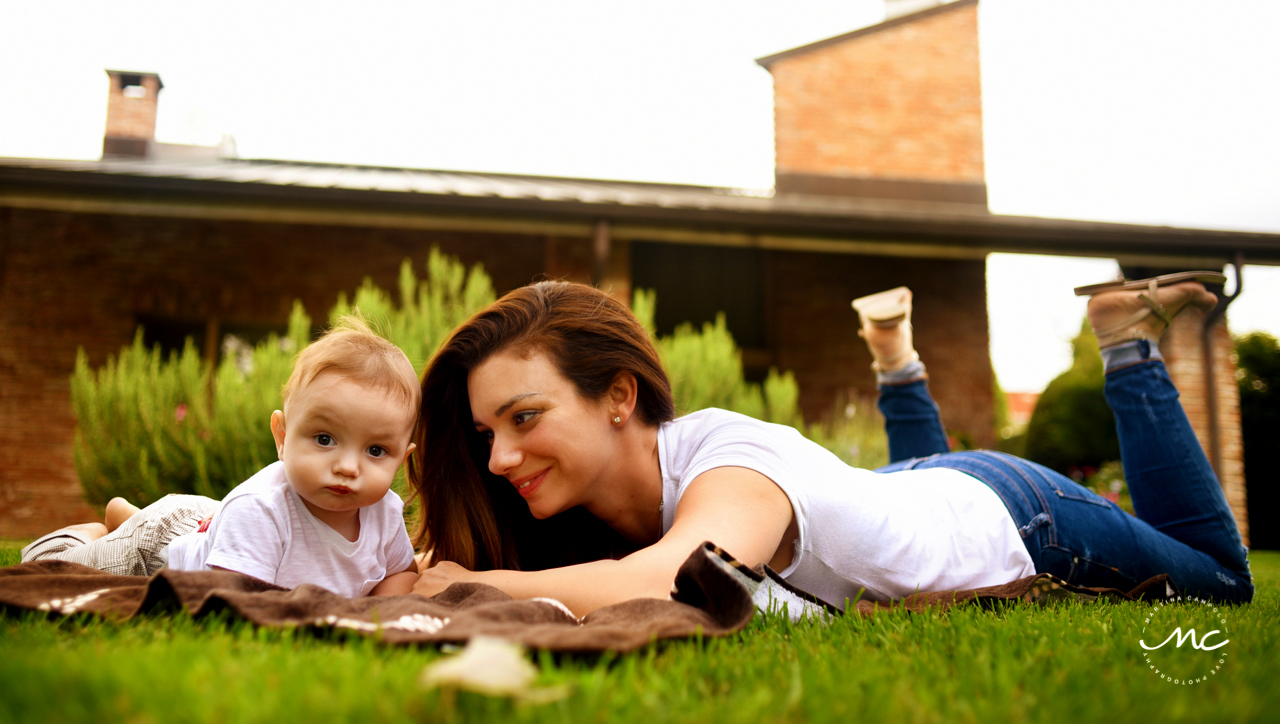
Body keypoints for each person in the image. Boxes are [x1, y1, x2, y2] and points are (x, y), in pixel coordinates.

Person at [408, 274, 1252, 615]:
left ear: (619, 396)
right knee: (882, 498)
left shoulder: (730, 469)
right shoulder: (603, 505)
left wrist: (472, 586)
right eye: (486, 434)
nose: (498, 460)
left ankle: (1128, 345)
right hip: (903, 484)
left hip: (1010, 509)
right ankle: (896, 360)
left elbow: (663, 581)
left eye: (524, 419)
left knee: (1218, 576)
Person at [22, 318, 422, 598]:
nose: (348, 467)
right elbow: (236, 601)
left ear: (401, 460)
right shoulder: (261, 509)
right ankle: (103, 528)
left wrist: (383, 610)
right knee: (50, 566)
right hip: (156, 550)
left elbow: (402, 571)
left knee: (197, 526)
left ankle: (125, 513)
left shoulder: (383, 512)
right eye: (324, 438)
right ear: (281, 438)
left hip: (208, 520)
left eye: (375, 451)